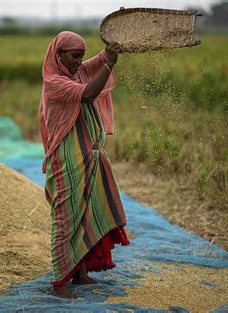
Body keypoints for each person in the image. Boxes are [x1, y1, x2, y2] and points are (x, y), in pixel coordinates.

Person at [39, 31, 130, 299]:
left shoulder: (75, 72)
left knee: (86, 213)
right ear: (59, 56)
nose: (80, 61)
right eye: (74, 56)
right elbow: (89, 93)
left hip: (87, 156)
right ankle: (59, 282)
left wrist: (112, 47)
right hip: (66, 160)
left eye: (81, 55)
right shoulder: (54, 83)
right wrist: (109, 64)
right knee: (66, 218)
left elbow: (98, 61)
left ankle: (80, 274)